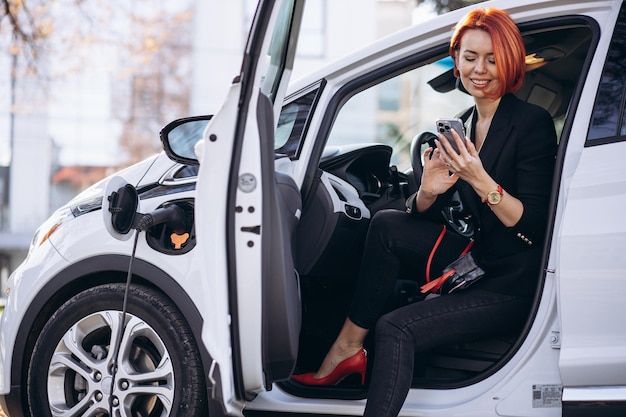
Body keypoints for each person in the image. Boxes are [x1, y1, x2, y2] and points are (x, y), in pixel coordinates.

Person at [292, 7, 557, 415]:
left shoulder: (531, 123)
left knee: (395, 328)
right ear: (456, 60)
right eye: (470, 58)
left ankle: (351, 357)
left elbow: (533, 229)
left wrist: (479, 178)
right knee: (386, 224)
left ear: (510, 61)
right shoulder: (465, 125)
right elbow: (436, 216)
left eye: (492, 58)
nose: (480, 70)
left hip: (514, 283)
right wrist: (429, 193)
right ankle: (345, 348)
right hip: (479, 260)